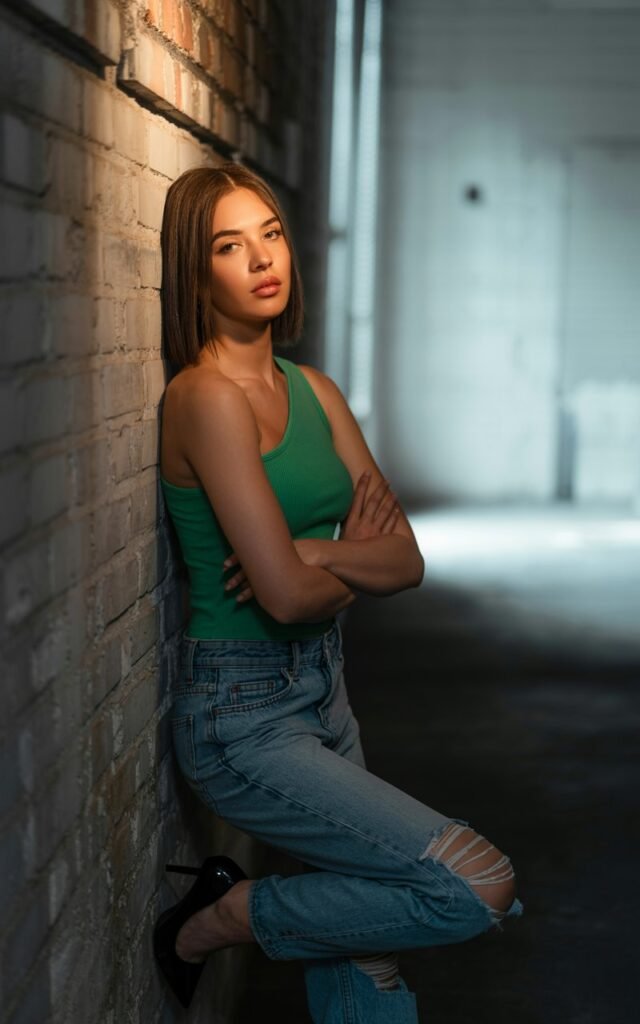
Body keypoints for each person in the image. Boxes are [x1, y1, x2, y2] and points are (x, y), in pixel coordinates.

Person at [153, 161, 524, 1022]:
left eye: (270, 235)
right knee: (477, 883)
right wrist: (338, 567)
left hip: (324, 689)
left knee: (369, 961)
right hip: (241, 716)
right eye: (228, 246)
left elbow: (407, 561)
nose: (261, 259)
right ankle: (228, 915)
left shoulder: (314, 390)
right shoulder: (203, 398)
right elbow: (279, 600)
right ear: (195, 271)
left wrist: (315, 553)